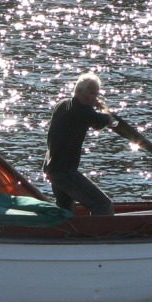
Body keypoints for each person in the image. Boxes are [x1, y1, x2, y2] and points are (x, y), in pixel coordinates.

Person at [43, 72, 115, 216]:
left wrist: (94, 104)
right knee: (103, 205)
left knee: (65, 210)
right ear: (79, 91)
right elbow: (103, 121)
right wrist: (109, 115)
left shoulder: (63, 104)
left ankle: (67, 236)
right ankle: (99, 237)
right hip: (65, 172)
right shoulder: (80, 111)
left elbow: (94, 122)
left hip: (52, 170)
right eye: (91, 93)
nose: (94, 97)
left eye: (96, 94)